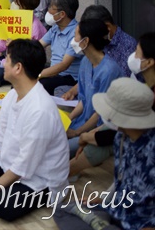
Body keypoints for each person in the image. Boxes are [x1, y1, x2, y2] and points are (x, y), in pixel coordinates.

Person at [0, 39, 69, 222]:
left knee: (2, 206)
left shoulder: (40, 109)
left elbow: (25, 164)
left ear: (18, 68)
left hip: (39, 179)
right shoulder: (13, 94)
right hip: (10, 164)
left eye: (8, 59)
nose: (4, 63)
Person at [69, 32, 155, 177]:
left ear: (149, 62)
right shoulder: (144, 85)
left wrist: (86, 136)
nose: (132, 56)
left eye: (136, 53)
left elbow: (116, 132)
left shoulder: (110, 70)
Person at [90, 78, 155, 230]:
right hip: (116, 211)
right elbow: (122, 179)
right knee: (67, 210)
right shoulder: (121, 137)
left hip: (140, 224)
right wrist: (102, 198)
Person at [65, 19, 123, 157]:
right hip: (81, 122)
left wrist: (77, 132)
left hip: (97, 129)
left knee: (59, 150)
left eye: (76, 36)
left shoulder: (109, 70)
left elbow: (100, 114)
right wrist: (67, 120)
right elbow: (83, 100)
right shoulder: (86, 62)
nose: (73, 40)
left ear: (85, 41)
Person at [61, 4, 137, 100]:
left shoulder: (128, 45)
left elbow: (119, 82)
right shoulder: (87, 59)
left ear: (107, 27)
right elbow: (87, 79)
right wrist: (72, 92)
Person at [38, 0, 83, 95]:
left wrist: (38, 75)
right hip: (54, 74)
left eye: (51, 8)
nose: (48, 11)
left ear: (62, 14)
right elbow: (38, 46)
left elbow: (64, 65)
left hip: (69, 78)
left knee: (38, 86)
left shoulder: (76, 33)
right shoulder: (55, 28)